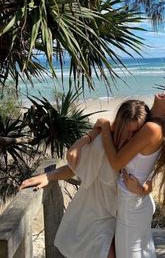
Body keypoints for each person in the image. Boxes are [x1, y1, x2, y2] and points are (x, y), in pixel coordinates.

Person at [20, 99, 151, 258]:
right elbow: (74, 167)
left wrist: (142, 189)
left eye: (136, 133)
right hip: (96, 217)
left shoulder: (141, 152)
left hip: (124, 217)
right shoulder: (101, 145)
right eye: (127, 132)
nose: (131, 138)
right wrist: (49, 175)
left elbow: (150, 181)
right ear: (119, 126)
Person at [94, 89, 165, 258]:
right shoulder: (153, 126)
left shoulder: (152, 129)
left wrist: (104, 127)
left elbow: (116, 162)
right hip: (136, 202)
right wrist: (144, 188)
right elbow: (147, 170)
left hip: (130, 208)